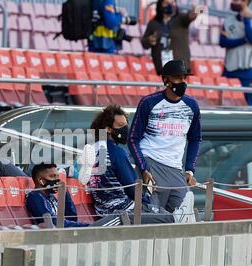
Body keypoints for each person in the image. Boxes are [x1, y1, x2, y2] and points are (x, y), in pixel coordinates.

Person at [84, 105, 194, 224]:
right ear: (108, 129)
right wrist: (147, 200)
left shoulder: (93, 149)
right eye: (120, 126)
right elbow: (132, 188)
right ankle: (180, 217)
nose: (125, 129)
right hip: (120, 212)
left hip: (103, 210)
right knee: (168, 218)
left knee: (160, 213)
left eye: (126, 125)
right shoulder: (116, 152)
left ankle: (181, 216)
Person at [128, 60, 202, 215]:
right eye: (177, 78)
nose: (182, 82)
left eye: (184, 78)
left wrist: (190, 170)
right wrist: (143, 168)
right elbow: (133, 139)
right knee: (151, 216)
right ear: (166, 80)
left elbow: (195, 139)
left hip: (176, 169)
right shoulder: (149, 102)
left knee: (183, 217)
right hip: (151, 163)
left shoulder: (192, 106)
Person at [219, 0, 252, 106]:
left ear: (245, 1)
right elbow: (223, 42)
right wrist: (244, 40)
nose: (233, 2)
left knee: (251, 106)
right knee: (224, 105)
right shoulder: (228, 21)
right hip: (229, 69)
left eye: (236, 0)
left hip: (248, 70)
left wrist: (247, 21)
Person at [141, 0, 198, 75]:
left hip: (180, 68)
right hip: (162, 68)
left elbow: (189, 17)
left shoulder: (181, 18)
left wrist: (194, 12)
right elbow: (144, 43)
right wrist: (149, 40)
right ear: (160, 5)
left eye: (173, 2)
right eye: (166, 3)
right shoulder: (153, 23)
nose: (170, 5)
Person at [26, 163, 89, 228]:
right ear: (41, 180)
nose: (57, 180)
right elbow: (52, 222)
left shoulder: (51, 197)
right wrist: (84, 226)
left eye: (57, 176)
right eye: (52, 176)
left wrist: (65, 194)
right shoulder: (35, 197)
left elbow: (72, 218)